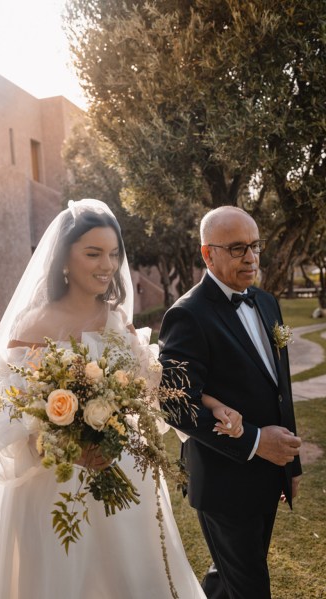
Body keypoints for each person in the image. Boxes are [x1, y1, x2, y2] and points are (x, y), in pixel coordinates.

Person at [0, 198, 242, 599]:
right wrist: (67, 448)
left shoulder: (116, 319)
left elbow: (154, 384)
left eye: (113, 254)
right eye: (93, 253)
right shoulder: (34, 323)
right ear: (64, 260)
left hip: (123, 470)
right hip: (54, 483)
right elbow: (11, 409)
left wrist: (212, 404)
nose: (107, 265)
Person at [158, 205, 302, 599]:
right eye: (238, 248)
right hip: (224, 482)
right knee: (251, 587)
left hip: (270, 472)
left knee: (230, 576)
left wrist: (291, 462)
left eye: (255, 246)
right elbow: (177, 405)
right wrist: (256, 441)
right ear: (208, 254)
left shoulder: (267, 302)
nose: (252, 258)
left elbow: (280, 388)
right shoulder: (187, 315)